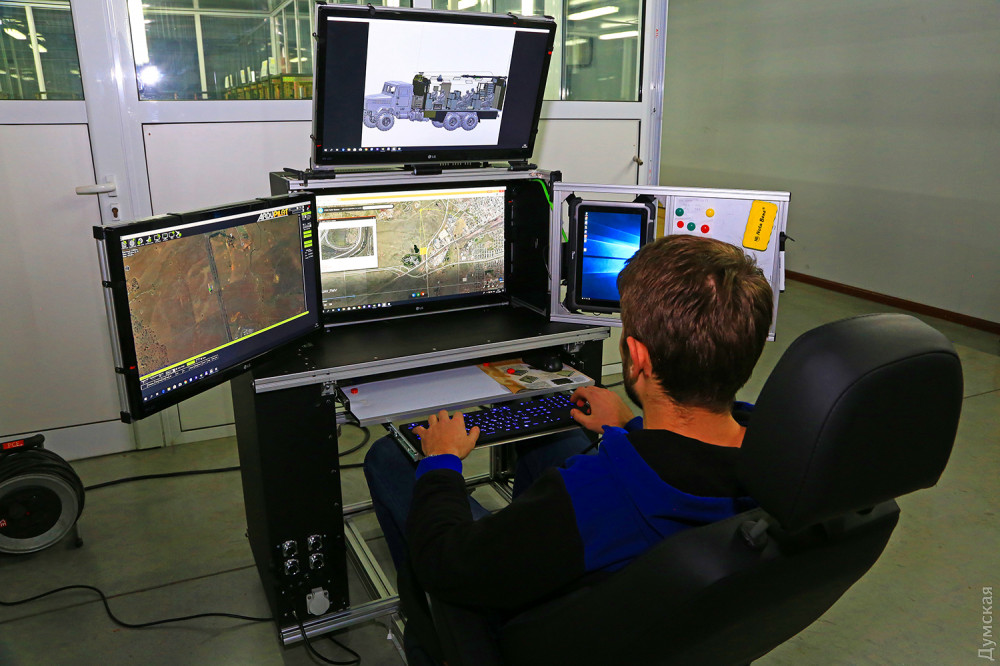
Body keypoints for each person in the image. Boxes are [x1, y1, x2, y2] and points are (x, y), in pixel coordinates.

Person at [363, 234, 774, 662]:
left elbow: (448, 564)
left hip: (523, 633)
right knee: (555, 437)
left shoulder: (589, 495)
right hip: (647, 618)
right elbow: (688, 462)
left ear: (637, 358)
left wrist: (441, 462)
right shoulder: (780, 456)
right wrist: (631, 425)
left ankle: (431, 644)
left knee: (390, 457)